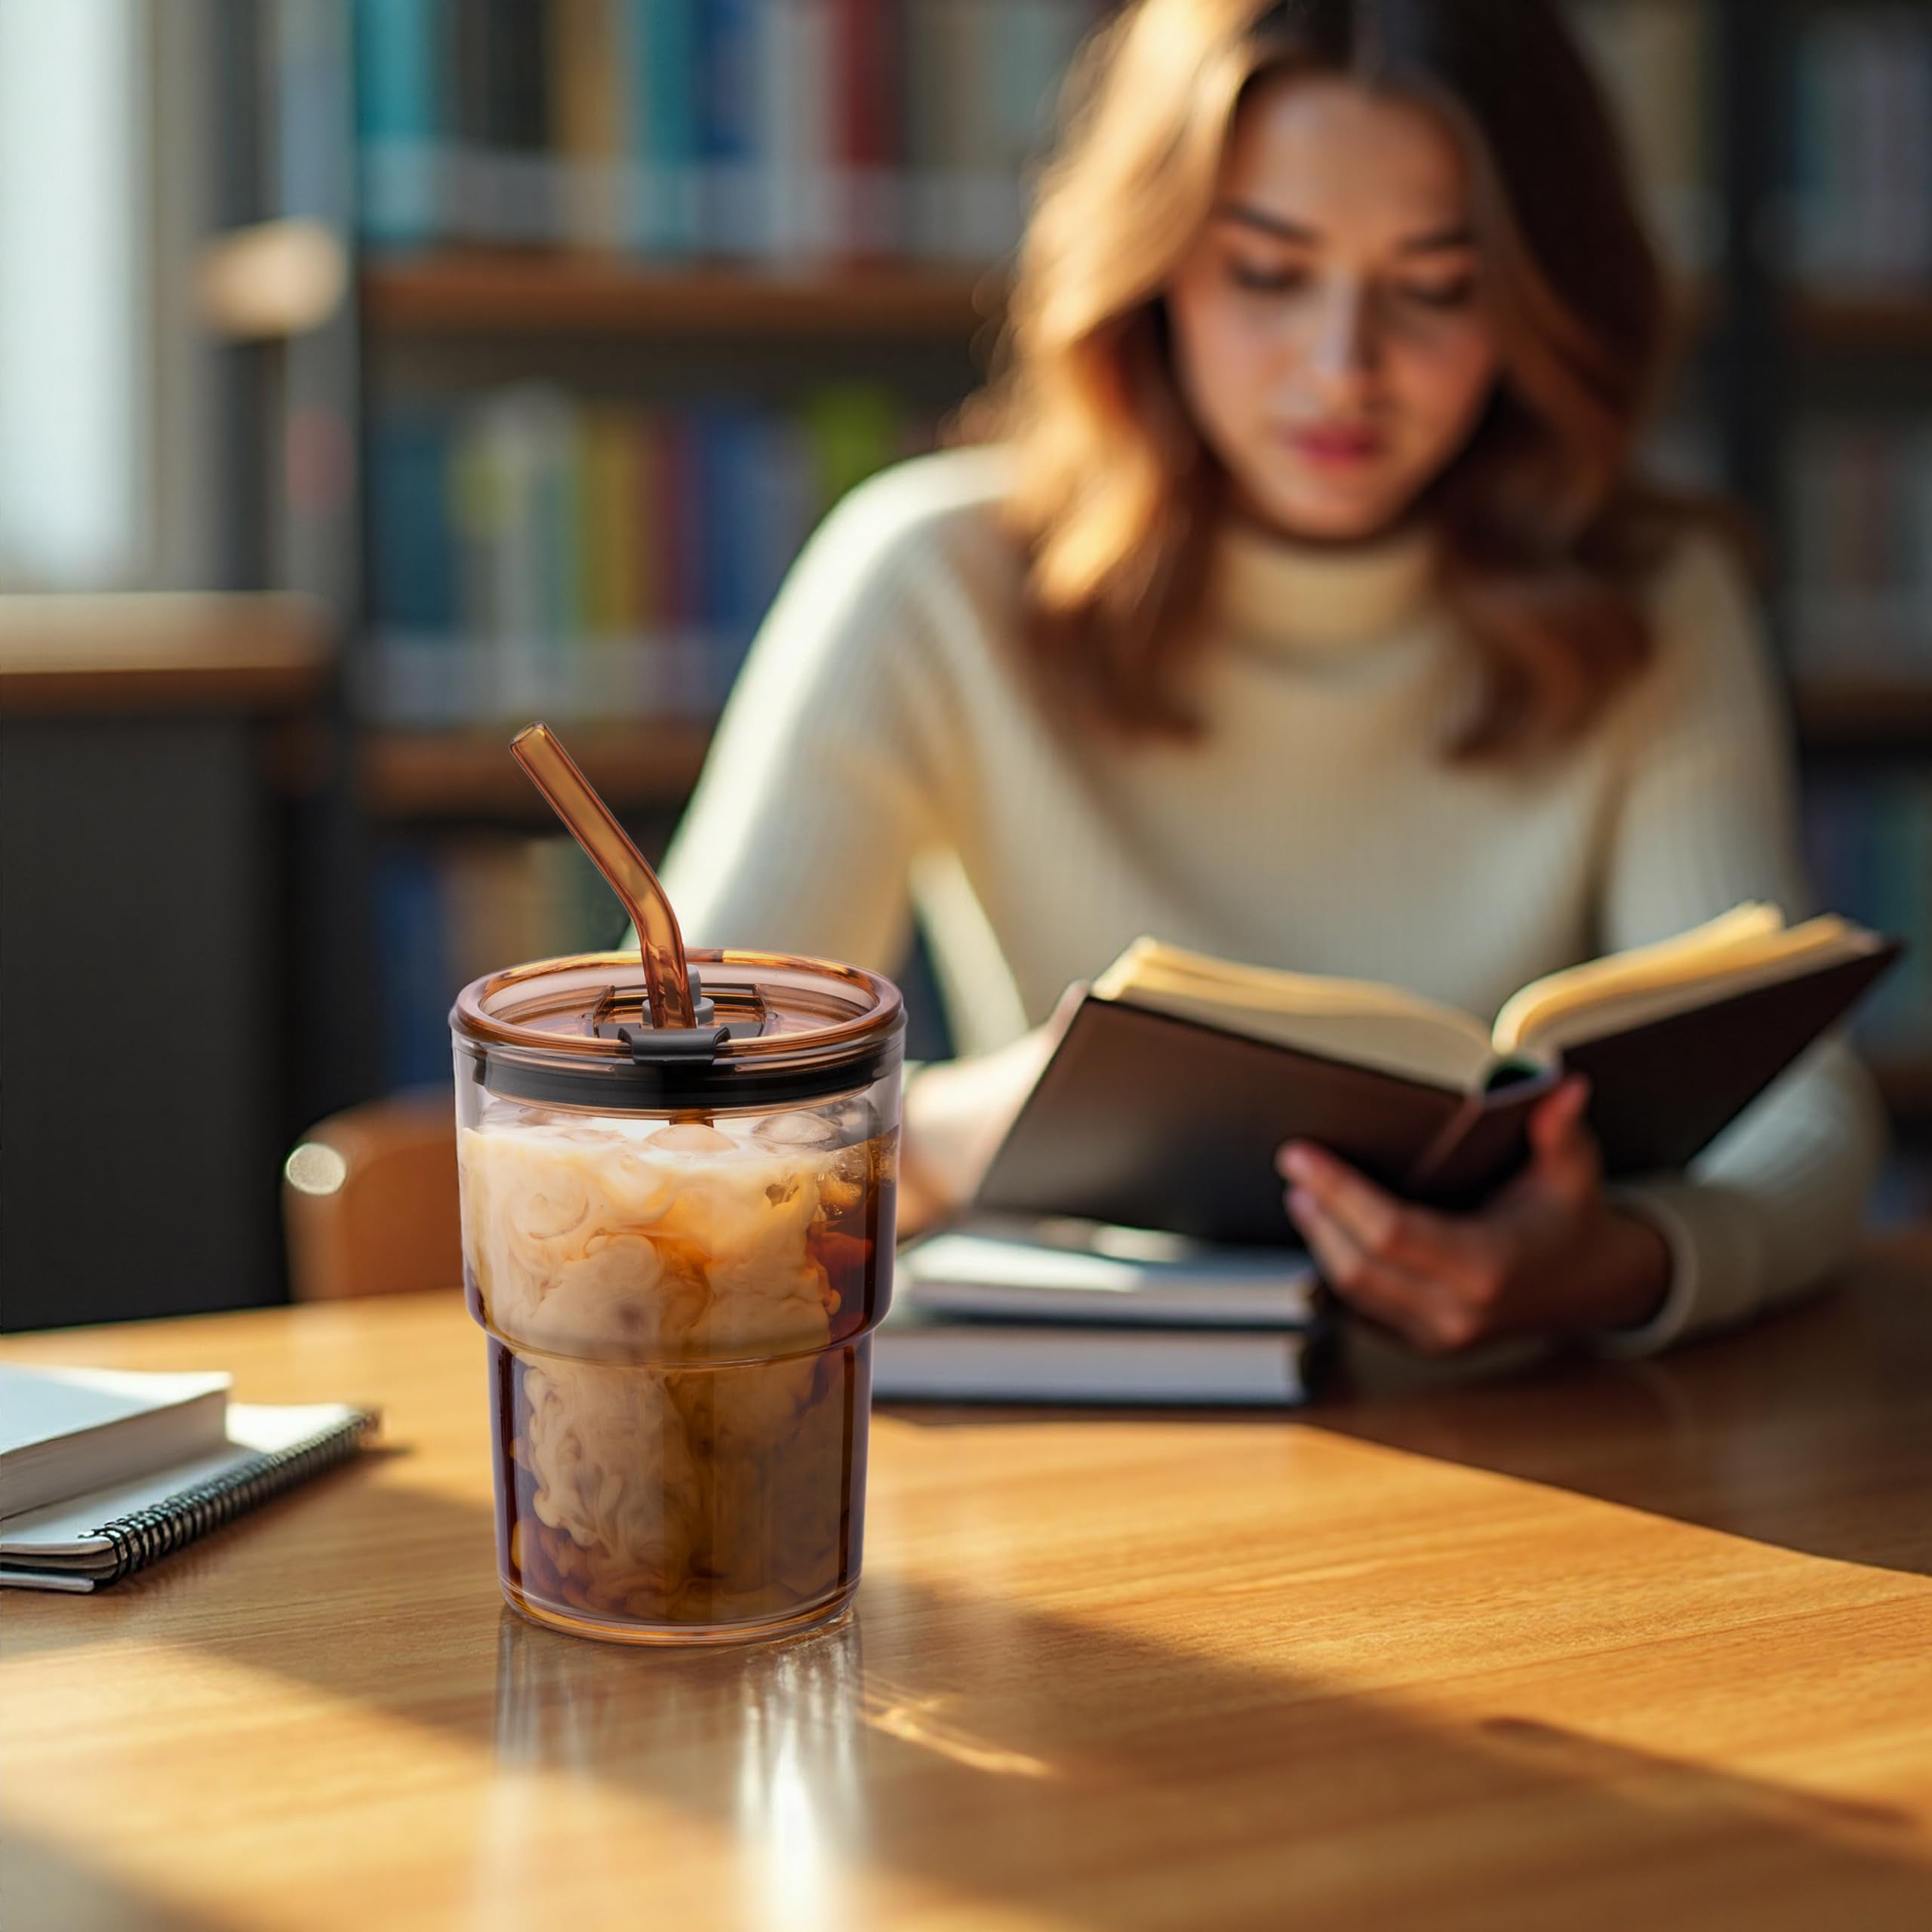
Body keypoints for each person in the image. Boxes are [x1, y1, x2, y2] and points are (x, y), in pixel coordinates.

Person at [659, 0, 1885, 1357]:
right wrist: (947, 1133)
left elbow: (1810, 1113)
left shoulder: (1653, 599)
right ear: (1155, 266)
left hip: (1536, 1436)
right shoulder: (931, 581)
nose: (1342, 368)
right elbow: (652, 1131)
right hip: (1080, 1433)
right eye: (1265, 272)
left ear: (1539, 296)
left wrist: (1620, 1264)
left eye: (1434, 287)